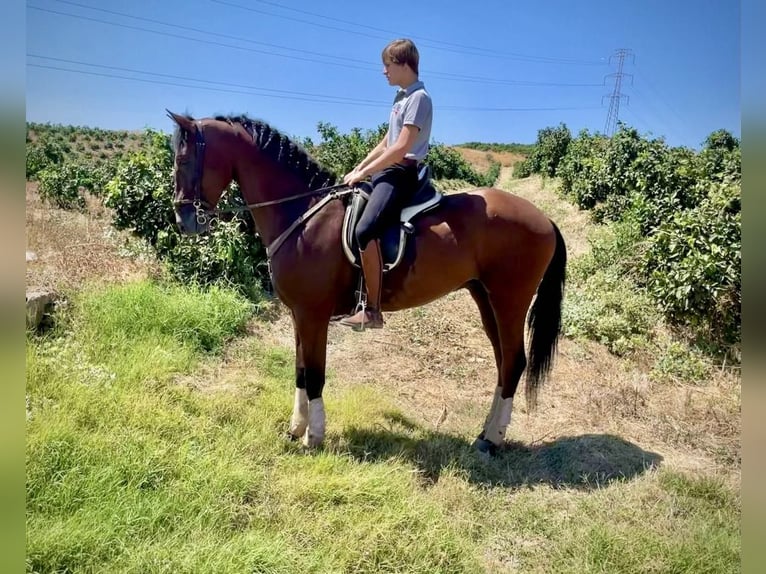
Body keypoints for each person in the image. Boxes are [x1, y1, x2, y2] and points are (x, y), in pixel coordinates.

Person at [339, 38, 433, 331]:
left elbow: (401, 146)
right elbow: (385, 142)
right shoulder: (400, 98)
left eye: (388, 65)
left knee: (365, 230)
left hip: (400, 174)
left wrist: (364, 172)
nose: (384, 71)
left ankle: (373, 310)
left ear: (404, 65)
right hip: (385, 172)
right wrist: (359, 168)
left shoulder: (420, 98)